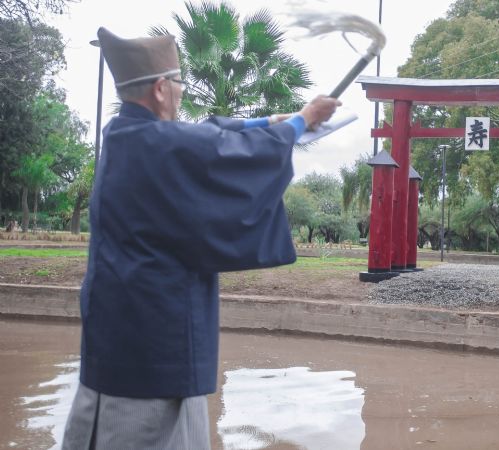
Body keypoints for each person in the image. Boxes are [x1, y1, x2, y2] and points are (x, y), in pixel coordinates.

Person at [62, 27, 340, 449]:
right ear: (160, 89)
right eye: (178, 85)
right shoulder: (159, 143)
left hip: (118, 332)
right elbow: (219, 148)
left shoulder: (123, 136)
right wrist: (303, 119)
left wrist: (270, 121)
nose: (181, 94)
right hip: (155, 341)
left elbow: (206, 132)